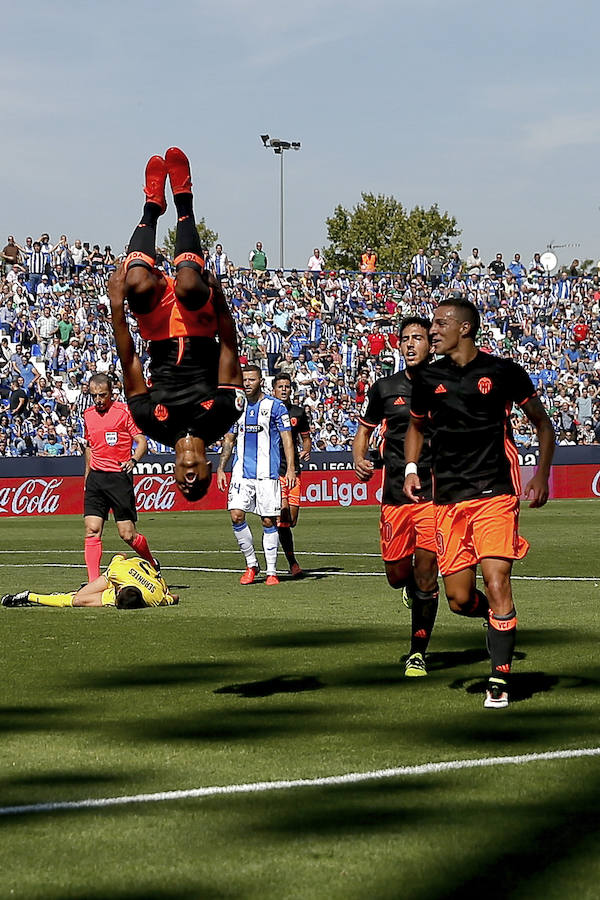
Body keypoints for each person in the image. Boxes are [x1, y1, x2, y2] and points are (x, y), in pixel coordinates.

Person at [404, 296, 555, 709]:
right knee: (459, 599)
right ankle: (498, 619)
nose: (432, 330)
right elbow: (416, 427)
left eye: (439, 324)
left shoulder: (502, 372)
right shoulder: (426, 378)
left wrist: (541, 474)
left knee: (497, 581)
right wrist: (411, 468)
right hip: (448, 500)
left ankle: (500, 677)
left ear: (464, 328)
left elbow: (543, 424)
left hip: (495, 494)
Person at [108, 148, 244, 501]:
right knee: (187, 283)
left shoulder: (150, 422)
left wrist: (117, 307)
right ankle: (184, 201)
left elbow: (130, 363)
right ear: (208, 470)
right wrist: (221, 301)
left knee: (136, 281)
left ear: (171, 475)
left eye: (183, 487)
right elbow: (230, 348)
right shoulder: (224, 415)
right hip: (200, 325)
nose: (187, 482)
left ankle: (152, 206)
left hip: (158, 329)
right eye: (197, 484)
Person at [353, 317, 439, 677]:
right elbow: (365, 429)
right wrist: (359, 456)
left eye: (417, 338)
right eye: (405, 339)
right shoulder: (385, 388)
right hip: (393, 497)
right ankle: (410, 590)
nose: (410, 344)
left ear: (430, 345)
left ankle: (417, 652)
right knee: (396, 574)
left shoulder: (446, 385)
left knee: (426, 575)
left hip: (435, 495)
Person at [216, 365, 296, 586]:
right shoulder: (237, 407)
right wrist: (222, 467)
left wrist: (290, 468)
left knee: (268, 519)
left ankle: (271, 571)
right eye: (245, 380)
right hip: (241, 473)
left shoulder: (275, 406)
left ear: (261, 381)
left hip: (267, 474)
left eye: (252, 379)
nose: (248, 383)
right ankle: (251, 564)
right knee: (236, 515)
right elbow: (229, 440)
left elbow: (287, 439)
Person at [83, 373, 157, 581]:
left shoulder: (124, 412)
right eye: (94, 396)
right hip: (96, 479)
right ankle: (92, 582)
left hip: (118, 478)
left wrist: (133, 460)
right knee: (92, 530)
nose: (98, 400)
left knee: (127, 534)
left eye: (102, 395)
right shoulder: (87, 415)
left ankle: (151, 563)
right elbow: (89, 447)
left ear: (111, 392)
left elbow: (142, 441)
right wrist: (87, 478)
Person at [1, 554, 177, 609]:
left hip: (139, 575)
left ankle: (28, 597)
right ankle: (77, 591)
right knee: (81, 594)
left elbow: (173, 597)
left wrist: (170, 595)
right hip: (119, 574)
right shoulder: (118, 571)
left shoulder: (154, 598)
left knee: (76, 600)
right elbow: (119, 556)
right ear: (119, 587)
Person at [271, 373, 312, 577]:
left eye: (287, 386)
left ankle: (274, 532)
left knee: (291, 520)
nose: (284, 389)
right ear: (274, 390)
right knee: (283, 515)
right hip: (274, 471)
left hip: (293, 470)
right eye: (281, 386)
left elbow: (306, 438)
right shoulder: (267, 411)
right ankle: (292, 563)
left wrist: (306, 449)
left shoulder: (298, 412)